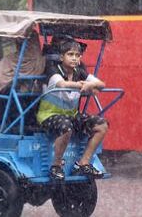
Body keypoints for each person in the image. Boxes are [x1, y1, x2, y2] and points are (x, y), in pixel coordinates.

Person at [36, 40, 108, 180]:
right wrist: (81, 85)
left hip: (71, 115)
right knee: (66, 127)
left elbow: (101, 84)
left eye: (77, 55)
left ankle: (83, 163)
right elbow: (62, 84)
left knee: (102, 125)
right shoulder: (53, 70)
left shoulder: (79, 72)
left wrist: (89, 84)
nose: (74, 58)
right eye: (70, 54)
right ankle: (56, 166)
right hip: (48, 115)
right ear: (62, 57)